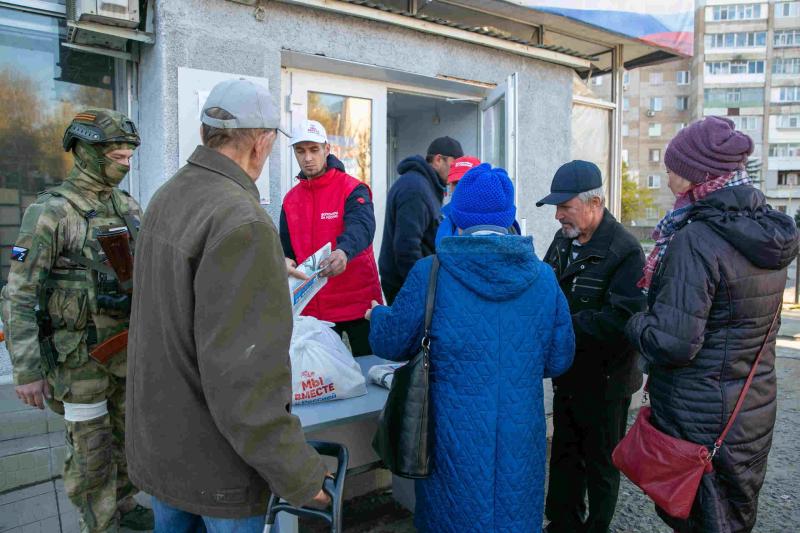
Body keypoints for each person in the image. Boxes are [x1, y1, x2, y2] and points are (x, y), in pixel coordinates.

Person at [126, 79, 329, 532]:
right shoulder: (241, 221)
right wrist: (299, 473)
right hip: (218, 471)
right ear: (261, 143)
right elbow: (246, 382)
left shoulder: (168, 195)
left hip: (162, 449)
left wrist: (262, 264)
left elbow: (178, 299)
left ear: (205, 135)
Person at [367, 164, 575, 532]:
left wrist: (377, 315)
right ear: (508, 218)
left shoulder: (431, 271)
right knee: (514, 515)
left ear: (457, 216)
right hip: (520, 433)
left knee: (453, 517)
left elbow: (391, 342)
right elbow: (559, 358)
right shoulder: (542, 277)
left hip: (451, 433)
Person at [625, 117, 799, 533]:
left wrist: (634, 322)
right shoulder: (764, 230)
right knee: (732, 515)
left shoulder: (695, 238)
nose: (665, 174)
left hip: (700, 416)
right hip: (750, 408)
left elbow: (673, 342)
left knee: (701, 517)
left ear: (694, 175)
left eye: (671, 166)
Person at [0, 109, 153, 532]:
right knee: (91, 449)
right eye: (117, 155)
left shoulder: (126, 205)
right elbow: (18, 293)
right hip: (77, 361)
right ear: (86, 152)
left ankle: (123, 506)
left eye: (128, 157)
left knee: (125, 439)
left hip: (124, 350)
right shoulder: (52, 212)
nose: (126, 162)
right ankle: (98, 523)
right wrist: (27, 370)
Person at [536, 160, 646, 533]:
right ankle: (563, 522)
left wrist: (560, 327)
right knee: (565, 453)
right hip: (568, 372)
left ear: (595, 203)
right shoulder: (565, 239)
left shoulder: (626, 251)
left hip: (605, 380)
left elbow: (622, 320)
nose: (557, 216)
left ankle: (597, 526)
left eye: (565, 207)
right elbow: (545, 286)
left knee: (600, 462)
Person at [280, 119, 382, 355]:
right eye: (300, 151)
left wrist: (344, 251)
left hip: (358, 303)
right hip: (314, 305)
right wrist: (284, 260)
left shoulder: (352, 188)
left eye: (314, 150)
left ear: (327, 149)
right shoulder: (290, 199)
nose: (307, 158)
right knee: (323, 382)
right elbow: (285, 246)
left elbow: (362, 227)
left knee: (371, 371)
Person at [378, 136, 463, 304]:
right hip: (408, 287)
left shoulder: (426, 185)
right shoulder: (415, 188)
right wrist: (422, 289)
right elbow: (406, 248)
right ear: (438, 160)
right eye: (453, 164)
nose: (455, 172)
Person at [435, 155, 480, 247]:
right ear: (450, 185)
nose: (460, 187)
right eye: (456, 183)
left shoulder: (497, 216)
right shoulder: (443, 216)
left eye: (466, 181)